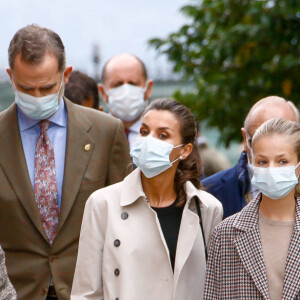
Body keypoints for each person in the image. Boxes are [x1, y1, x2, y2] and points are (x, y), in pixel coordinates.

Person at [1, 25, 131, 300]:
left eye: (47, 87)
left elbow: (126, 221)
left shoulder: (106, 132)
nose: (37, 97)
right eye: (26, 88)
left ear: (66, 75)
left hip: (89, 291)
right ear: (11, 77)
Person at [71, 98, 223, 300]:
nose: (149, 141)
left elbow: (216, 288)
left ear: (185, 150)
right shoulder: (103, 203)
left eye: (163, 135)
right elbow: (86, 293)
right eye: (144, 132)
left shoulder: (206, 208)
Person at [204, 117, 300, 299]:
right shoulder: (225, 235)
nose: (271, 170)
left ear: (298, 166)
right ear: (252, 162)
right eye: (262, 162)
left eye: (282, 161)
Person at [202, 96, 299, 219]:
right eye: (258, 138)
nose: (270, 147)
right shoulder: (209, 192)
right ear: (245, 139)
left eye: (283, 137)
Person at [98, 53, 153, 148]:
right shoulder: (94, 136)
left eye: (133, 83)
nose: (126, 90)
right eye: (117, 84)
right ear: (103, 92)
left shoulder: (161, 138)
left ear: (148, 89)